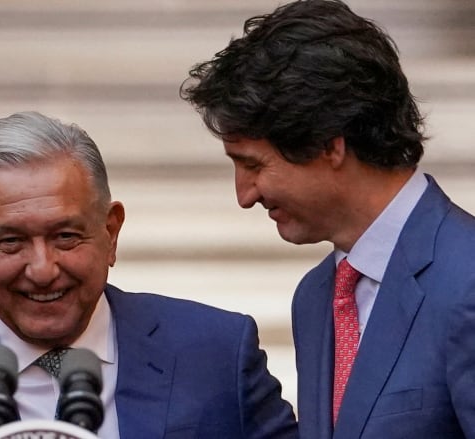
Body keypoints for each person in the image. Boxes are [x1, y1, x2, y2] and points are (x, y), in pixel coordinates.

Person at [0, 111, 298, 438]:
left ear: (110, 232)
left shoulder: (216, 354)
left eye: (66, 237)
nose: (42, 270)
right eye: (11, 242)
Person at [181, 0, 475, 437]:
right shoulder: (316, 296)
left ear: (329, 145)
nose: (244, 195)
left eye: (255, 165)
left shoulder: (466, 278)